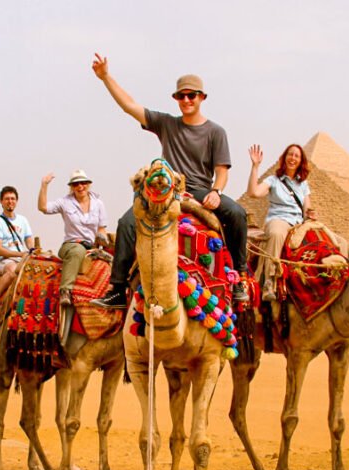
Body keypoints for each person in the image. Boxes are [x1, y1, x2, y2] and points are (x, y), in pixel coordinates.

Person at [90, 53, 250, 308]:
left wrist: (217, 191)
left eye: (191, 95)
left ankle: (239, 277)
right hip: (168, 192)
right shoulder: (166, 124)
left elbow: (222, 170)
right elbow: (130, 106)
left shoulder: (215, 132)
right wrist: (106, 77)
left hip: (199, 191)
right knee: (126, 223)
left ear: (202, 97)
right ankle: (118, 288)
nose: (186, 100)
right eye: (181, 96)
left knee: (237, 214)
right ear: (176, 99)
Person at [246, 143, 314, 302]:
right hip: (280, 219)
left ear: (301, 161)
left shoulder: (303, 184)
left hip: (298, 222)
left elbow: (307, 205)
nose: (293, 158)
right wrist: (255, 167)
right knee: (276, 234)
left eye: (297, 156)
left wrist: (310, 214)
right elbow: (253, 192)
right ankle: (269, 281)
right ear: (284, 158)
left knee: (321, 238)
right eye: (290, 154)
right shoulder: (273, 180)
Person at [37, 169, 108, 306]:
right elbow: (43, 208)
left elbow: (101, 228)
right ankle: (65, 290)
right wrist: (44, 185)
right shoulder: (65, 202)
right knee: (77, 251)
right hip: (71, 245)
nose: (80, 187)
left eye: (83, 183)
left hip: (91, 248)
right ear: (72, 187)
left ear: (88, 184)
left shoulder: (98, 203)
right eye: (76, 184)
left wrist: (103, 239)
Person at [0, 185, 34, 318]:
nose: (10, 201)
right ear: (1, 201)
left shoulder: (23, 220)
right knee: (12, 271)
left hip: (22, 259)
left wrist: (32, 250)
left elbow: (29, 240)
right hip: (4, 261)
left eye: (12, 198)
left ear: (16, 201)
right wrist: (19, 254)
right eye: (7, 199)